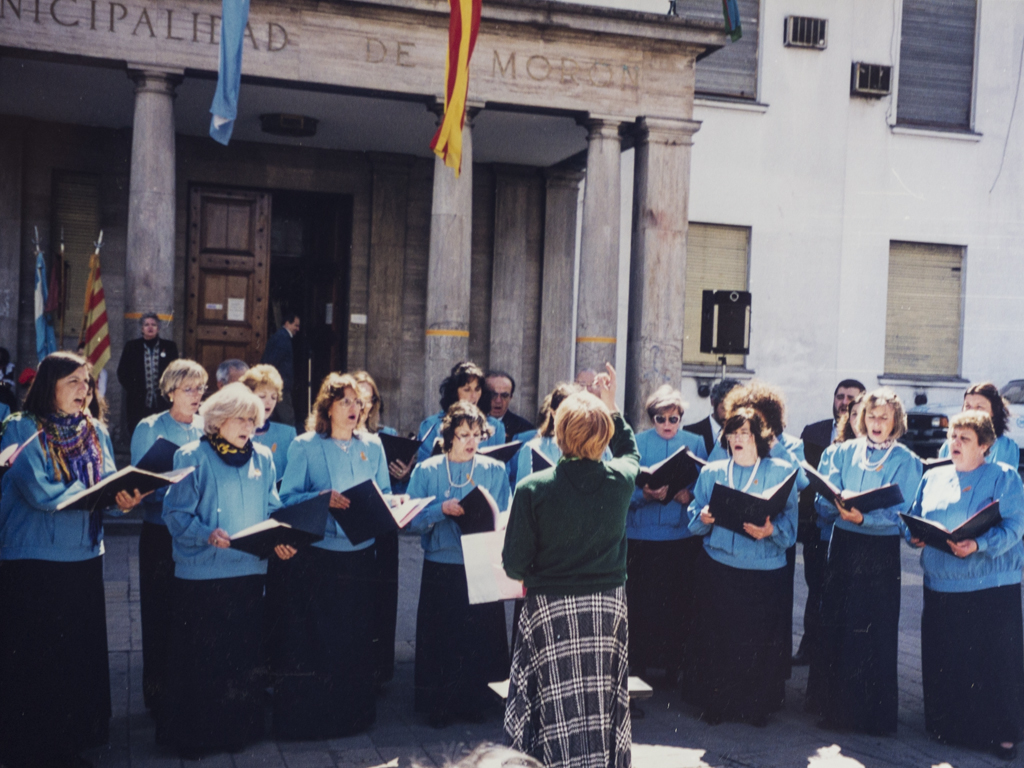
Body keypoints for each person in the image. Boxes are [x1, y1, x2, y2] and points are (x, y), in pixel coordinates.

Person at [0, 351, 144, 768]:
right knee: (37, 657)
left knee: (74, 658)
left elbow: (109, 484)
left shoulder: (94, 430)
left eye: (88, 382)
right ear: (49, 385)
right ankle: (31, 748)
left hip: (83, 556)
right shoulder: (19, 428)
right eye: (74, 382)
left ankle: (71, 742)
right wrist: (96, 495)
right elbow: (40, 493)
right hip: (34, 559)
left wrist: (124, 499)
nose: (85, 390)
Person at [503, 364, 639, 767]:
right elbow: (632, 452)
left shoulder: (533, 488)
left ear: (559, 434)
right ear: (605, 437)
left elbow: (514, 564)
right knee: (601, 697)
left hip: (550, 606)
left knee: (549, 698)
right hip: (607, 606)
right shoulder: (622, 480)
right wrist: (612, 408)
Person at [160, 383, 294, 758]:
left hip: (249, 572)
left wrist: (279, 536)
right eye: (243, 418)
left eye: (254, 419)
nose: (250, 426)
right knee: (203, 661)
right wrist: (206, 534)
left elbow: (272, 507)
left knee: (241, 657)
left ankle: (240, 731)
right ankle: (195, 737)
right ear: (218, 419)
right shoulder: (192, 455)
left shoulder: (264, 457)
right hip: (203, 574)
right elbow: (174, 514)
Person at [274, 373, 391, 738]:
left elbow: (385, 491)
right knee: (320, 640)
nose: (355, 409)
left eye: (359, 402)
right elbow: (286, 499)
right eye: (345, 402)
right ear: (328, 406)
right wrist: (322, 497)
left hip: (361, 556)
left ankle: (353, 717)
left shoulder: (373, 446)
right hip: (320, 559)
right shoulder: (305, 446)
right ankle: (317, 720)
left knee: (356, 640)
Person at [906, 410, 1024, 761]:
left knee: (993, 664)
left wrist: (979, 545)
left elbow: (1017, 526)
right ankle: (952, 728)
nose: (954, 444)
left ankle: (1002, 735)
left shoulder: (1005, 477)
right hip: (942, 583)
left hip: (991, 587)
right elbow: (914, 516)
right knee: (949, 661)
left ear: (985, 445)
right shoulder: (933, 476)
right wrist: (914, 536)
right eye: (953, 437)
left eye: (965, 439)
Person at [811, 388, 922, 735]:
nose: (876, 423)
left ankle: (873, 719)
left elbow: (906, 515)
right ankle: (836, 713)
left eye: (884, 417)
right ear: (862, 418)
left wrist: (866, 520)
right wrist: (835, 506)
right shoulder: (841, 451)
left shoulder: (906, 460)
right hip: (843, 546)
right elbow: (820, 500)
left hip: (879, 556)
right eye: (871, 416)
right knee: (839, 626)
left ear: (895, 422)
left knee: (874, 632)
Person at [686, 407, 798, 726]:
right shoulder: (713, 471)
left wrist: (770, 531)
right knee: (718, 638)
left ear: (758, 438)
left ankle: (755, 707)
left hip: (764, 571)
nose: (738, 439)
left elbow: (790, 522)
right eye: (733, 433)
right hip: (720, 567)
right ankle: (716, 704)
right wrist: (703, 517)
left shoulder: (779, 472)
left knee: (757, 641)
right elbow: (694, 516)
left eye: (745, 433)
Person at [406, 400, 511, 729]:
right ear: (449, 435)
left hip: (480, 561)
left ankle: (473, 701)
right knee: (442, 636)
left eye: (477, 435)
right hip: (441, 561)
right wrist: (441, 511)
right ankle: (438, 703)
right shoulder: (427, 470)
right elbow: (410, 521)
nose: (470, 441)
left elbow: (504, 516)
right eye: (464, 434)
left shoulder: (494, 470)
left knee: (477, 636)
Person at [129, 359, 208, 715]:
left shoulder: (208, 427)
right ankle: (157, 696)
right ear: (170, 391)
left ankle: (187, 690)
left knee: (191, 614)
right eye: (189, 389)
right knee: (160, 613)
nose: (197, 395)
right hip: (161, 533)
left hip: (196, 535)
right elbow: (137, 482)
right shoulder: (150, 427)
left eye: (201, 388)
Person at [626, 385, 707, 693]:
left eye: (674, 418)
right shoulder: (637, 442)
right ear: (652, 419)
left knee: (676, 604)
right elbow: (624, 487)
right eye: (661, 419)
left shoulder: (695, 442)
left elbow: (707, 483)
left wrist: (689, 494)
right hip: (641, 535)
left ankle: (673, 667)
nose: (668, 425)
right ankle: (639, 665)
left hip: (678, 536)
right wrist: (642, 494)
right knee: (641, 605)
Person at [794, 379, 865, 666]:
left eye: (851, 397)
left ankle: (831, 654)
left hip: (851, 528)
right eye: (839, 396)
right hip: (816, 525)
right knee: (816, 588)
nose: (844, 402)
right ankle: (808, 648)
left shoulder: (865, 432)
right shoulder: (814, 431)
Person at [351, 369, 402, 687]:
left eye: (369, 400)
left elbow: (387, 488)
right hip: (348, 530)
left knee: (381, 598)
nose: (364, 406)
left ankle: (379, 668)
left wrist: (402, 473)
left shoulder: (383, 437)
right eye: (358, 399)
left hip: (380, 528)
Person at [416, 361, 506, 463]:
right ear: (454, 393)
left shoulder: (496, 427)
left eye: (477, 389)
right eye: (467, 390)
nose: (474, 396)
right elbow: (422, 468)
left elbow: (504, 471)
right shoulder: (431, 425)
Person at [116, 312, 179, 433]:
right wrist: (135, 390)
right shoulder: (132, 346)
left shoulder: (170, 347)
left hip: (162, 401)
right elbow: (122, 372)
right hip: (138, 401)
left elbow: (175, 372)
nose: (150, 327)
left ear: (158, 328)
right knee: (139, 432)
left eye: (153, 325)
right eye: (146, 325)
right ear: (142, 328)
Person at [937, 382, 1020, 469]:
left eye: (979, 407)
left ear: (994, 412)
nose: (971, 412)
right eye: (968, 406)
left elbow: (1002, 479)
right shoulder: (950, 444)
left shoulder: (1005, 446)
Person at [241, 364, 296, 481]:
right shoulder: (234, 432)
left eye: (273, 397)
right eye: (262, 396)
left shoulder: (288, 434)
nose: (269, 402)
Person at [684, 378, 741, 457]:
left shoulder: (745, 435)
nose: (729, 415)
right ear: (713, 402)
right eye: (724, 408)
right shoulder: (691, 432)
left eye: (734, 409)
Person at [261, 312, 300, 425]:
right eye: (295, 325)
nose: (298, 329)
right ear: (287, 323)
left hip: (278, 384)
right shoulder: (282, 338)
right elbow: (272, 361)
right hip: (280, 385)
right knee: (287, 418)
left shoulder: (281, 336)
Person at [485, 370, 534, 439]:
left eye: (504, 395)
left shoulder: (524, 428)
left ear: (510, 397)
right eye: (493, 395)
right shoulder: (471, 422)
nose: (498, 400)